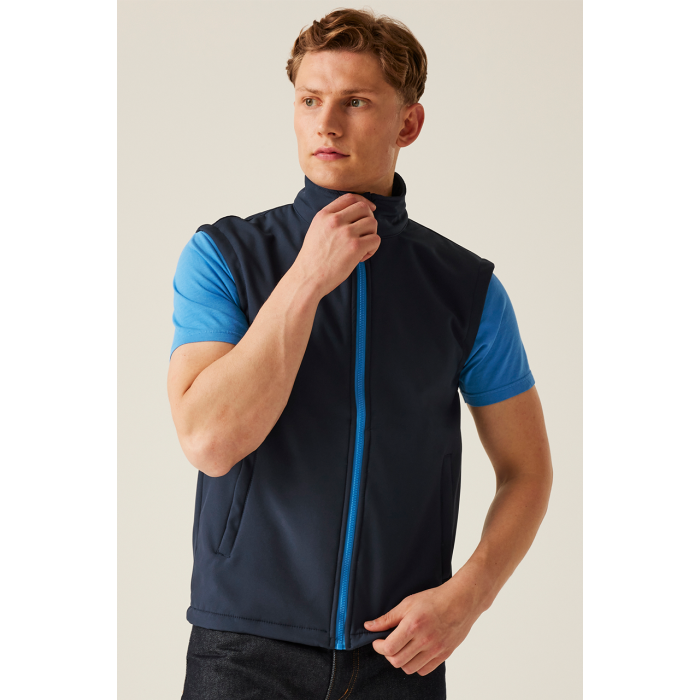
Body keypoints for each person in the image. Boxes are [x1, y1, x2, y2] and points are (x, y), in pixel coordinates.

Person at [167, 8, 553, 699]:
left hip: (399, 652)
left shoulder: (467, 289)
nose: (326, 123)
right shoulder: (225, 257)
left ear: (408, 124)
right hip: (244, 652)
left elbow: (527, 471)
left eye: (355, 102)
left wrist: (466, 600)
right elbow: (210, 442)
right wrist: (307, 279)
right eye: (309, 100)